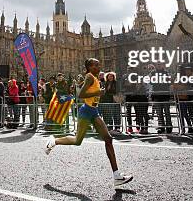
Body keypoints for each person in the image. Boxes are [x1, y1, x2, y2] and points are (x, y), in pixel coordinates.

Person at [45, 58, 133, 188]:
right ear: (89, 67)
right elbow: (82, 94)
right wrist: (99, 92)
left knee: (108, 139)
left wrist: (99, 92)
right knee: (77, 141)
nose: (98, 66)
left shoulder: (95, 78)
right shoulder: (90, 77)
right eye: (95, 65)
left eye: (98, 65)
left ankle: (117, 176)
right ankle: (54, 141)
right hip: (86, 111)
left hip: (94, 111)